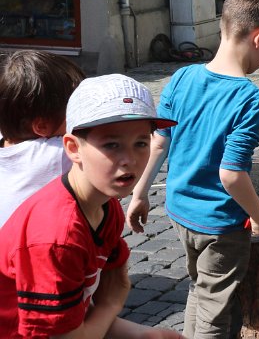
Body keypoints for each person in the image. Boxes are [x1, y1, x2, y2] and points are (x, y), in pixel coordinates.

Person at [126, 0, 259, 339]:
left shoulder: (182, 77)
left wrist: (140, 193)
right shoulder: (250, 100)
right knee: (214, 313)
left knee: (199, 289)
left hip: (180, 212)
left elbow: (159, 142)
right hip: (221, 226)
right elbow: (231, 174)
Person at [0, 74, 183, 339]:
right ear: (73, 148)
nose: (130, 159)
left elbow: (80, 311)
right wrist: (111, 304)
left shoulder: (105, 208)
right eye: (112, 145)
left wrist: (146, 334)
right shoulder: (57, 237)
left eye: (141, 143)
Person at [0, 50, 85, 227]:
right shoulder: (57, 153)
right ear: (42, 126)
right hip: (36, 241)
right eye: (76, 108)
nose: (84, 113)